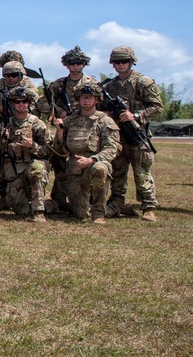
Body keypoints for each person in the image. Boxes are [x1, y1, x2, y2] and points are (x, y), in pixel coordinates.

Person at [101, 46, 163, 221]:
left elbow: (157, 107)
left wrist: (135, 115)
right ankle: (117, 202)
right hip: (118, 136)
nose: (120, 65)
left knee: (141, 172)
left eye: (124, 61)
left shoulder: (143, 82)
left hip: (137, 134)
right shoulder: (110, 86)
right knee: (117, 172)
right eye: (117, 62)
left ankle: (148, 207)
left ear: (131, 62)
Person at [53, 82, 120, 224]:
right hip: (74, 170)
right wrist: (59, 131)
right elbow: (60, 150)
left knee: (100, 169)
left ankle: (99, 213)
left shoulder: (105, 121)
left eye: (90, 97)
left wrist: (92, 160)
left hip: (94, 164)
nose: (86, 100)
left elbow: (112, 148)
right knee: (80, 213)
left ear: (96, 99)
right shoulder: (70, 121)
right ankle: (111, 208)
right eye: (83, 97)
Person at [45, 47, 101, 211]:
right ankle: (59, 198)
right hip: (65, 126)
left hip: (87, 128)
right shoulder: (59, 84)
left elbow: (102, 104)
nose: (75, 66)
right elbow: (43, 103)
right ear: (66, 64)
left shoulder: (92, 83)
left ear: (84, 64)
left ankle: (88, 197)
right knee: (59, 161)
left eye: (79, 63)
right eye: (72, 63)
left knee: (86, 161)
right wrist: (57, 110)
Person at [0, 86, 54, 222]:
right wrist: (3, 141)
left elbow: (48, 151)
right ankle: (51, 205)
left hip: (32, 165)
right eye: (17, 101)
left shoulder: (37, 124)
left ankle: (39, 212)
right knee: (20, 209)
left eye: (24, 101)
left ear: (29, 103)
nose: (21, 104)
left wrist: (32, 146)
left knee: (37, 169)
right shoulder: (6, 125)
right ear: (12, 104)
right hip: (15, 170)